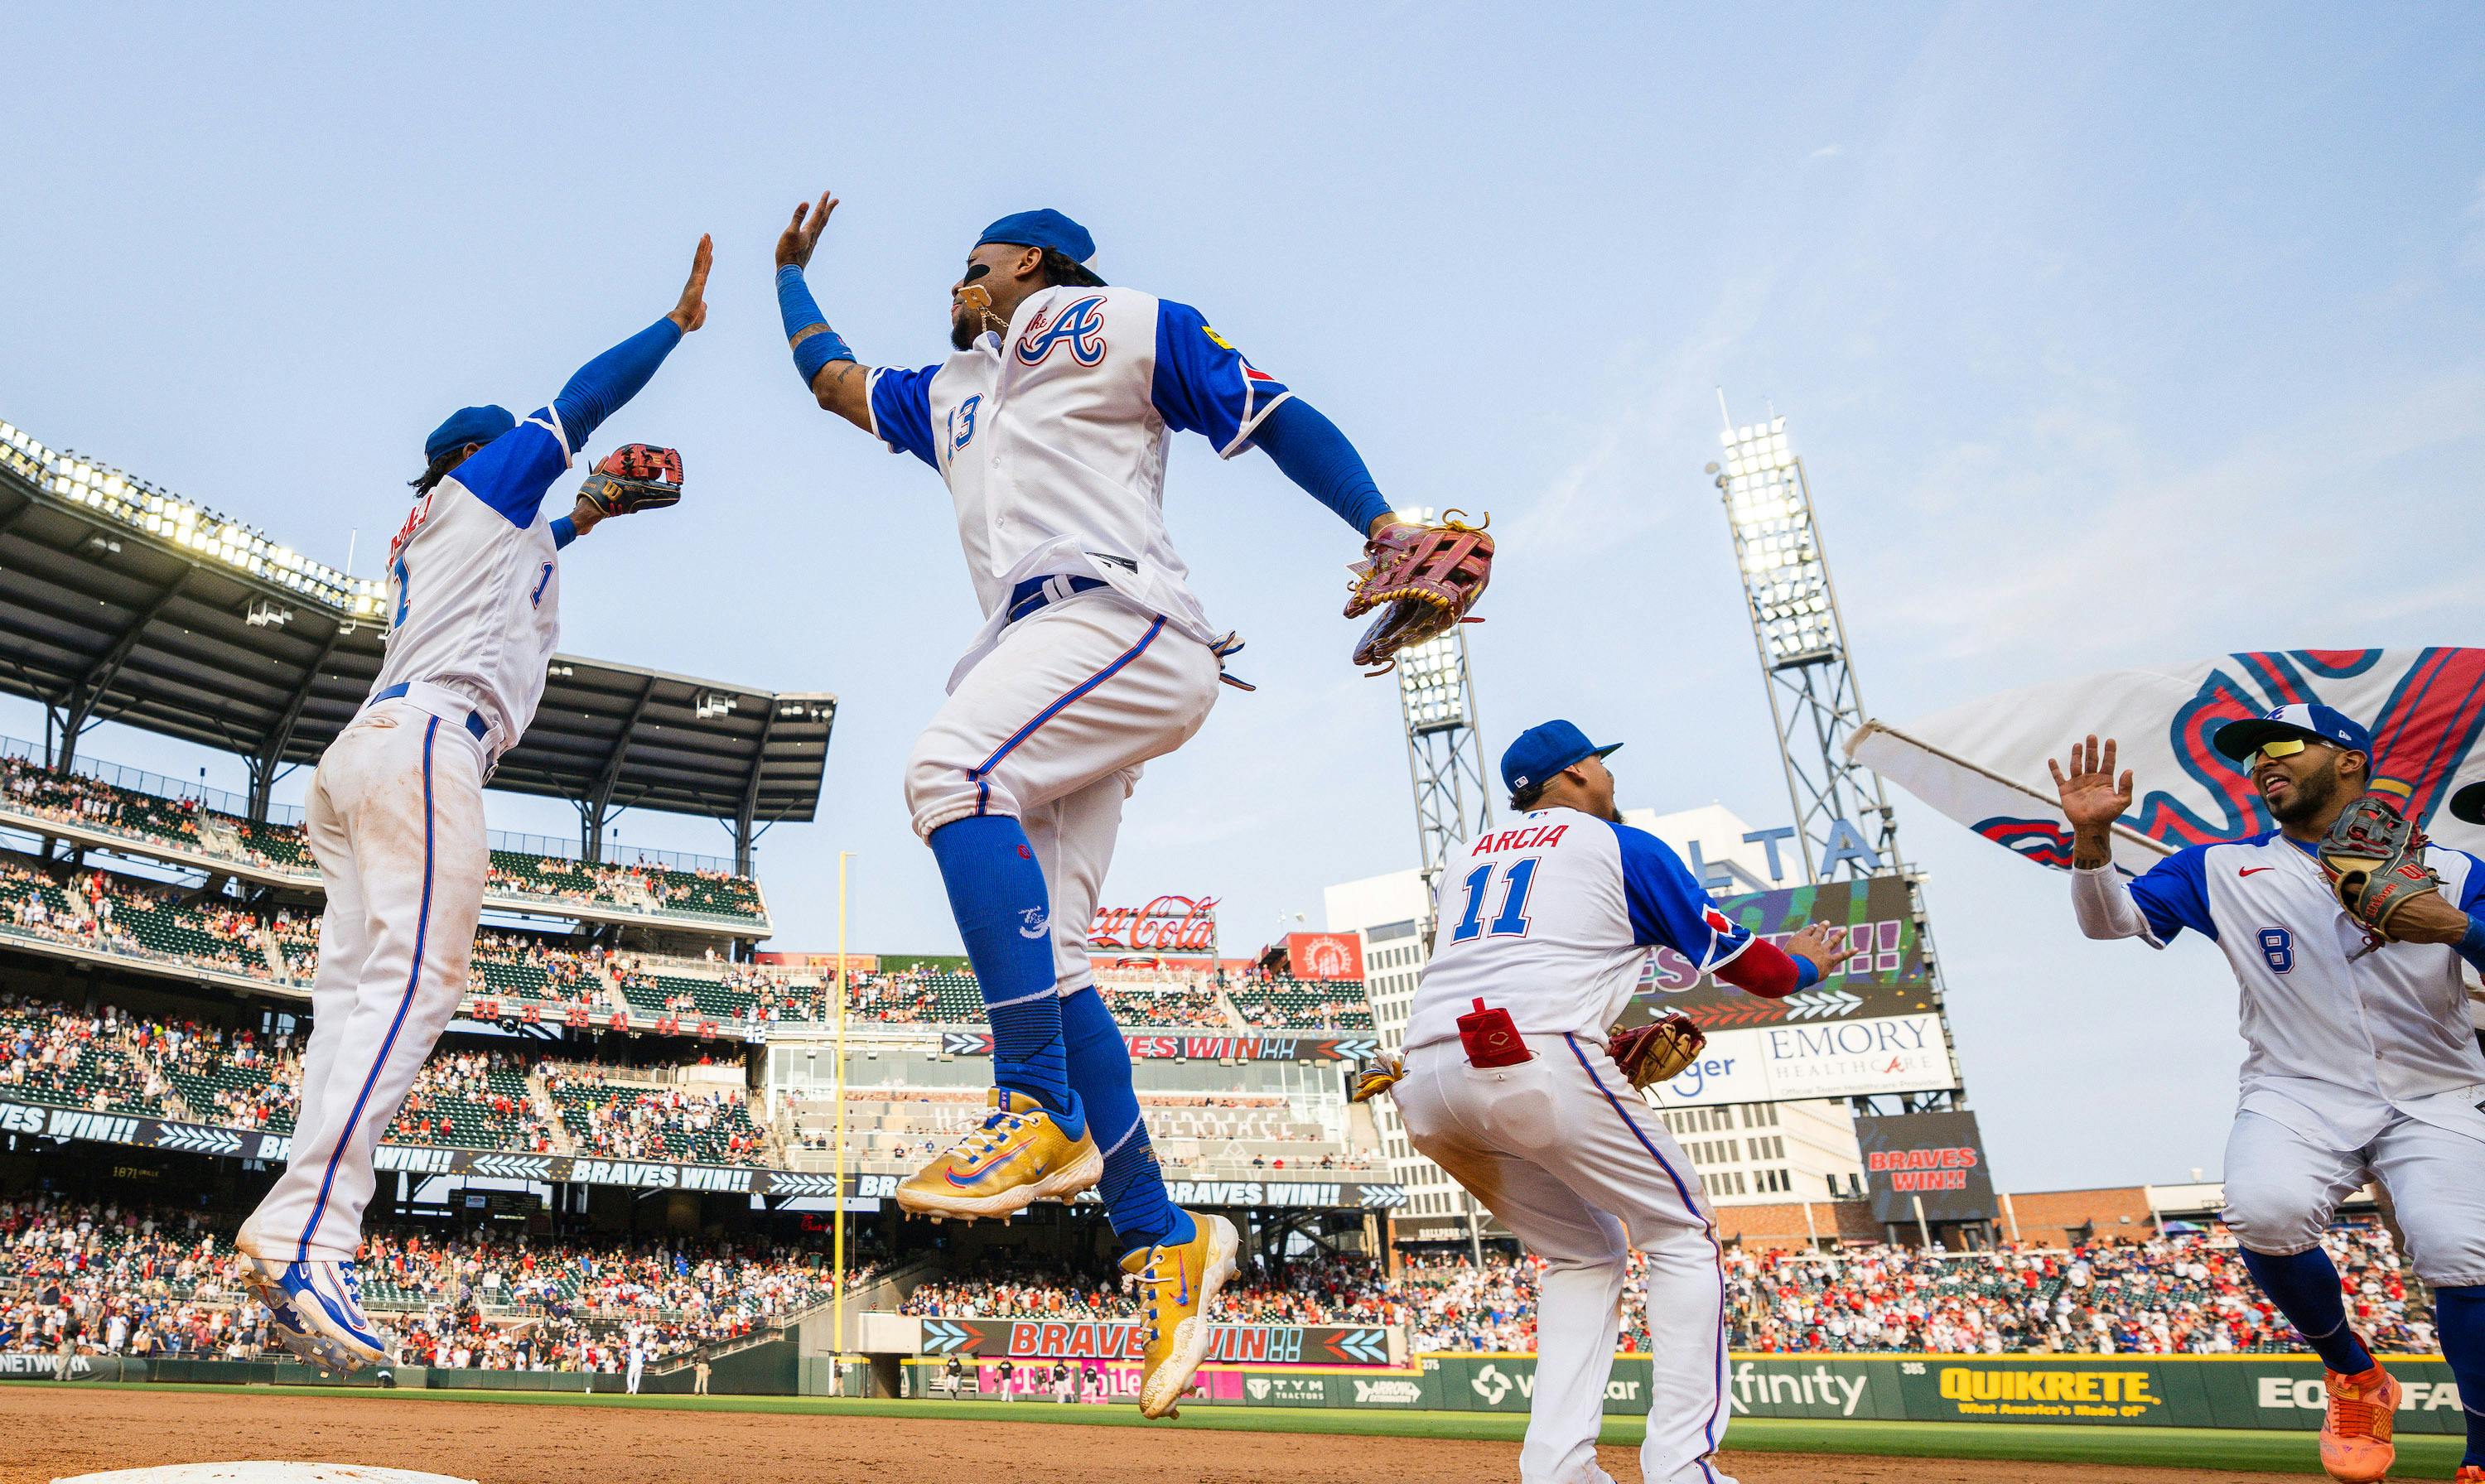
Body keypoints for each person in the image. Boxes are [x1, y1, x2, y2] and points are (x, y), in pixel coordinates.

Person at [770, 191, 1415, 1419]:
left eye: (969, 266)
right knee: (1056, 963)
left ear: (1021, 262)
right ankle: (1158, 1233)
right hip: (1043, 655)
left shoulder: (1115, 318)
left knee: (948, 773)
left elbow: (1270, 411)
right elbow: (833, 381)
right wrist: (788, 278)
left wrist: (1379, 523)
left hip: (1121, 621)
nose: (953, 286)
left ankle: (1036, 1104)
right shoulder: (948, 395)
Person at [231, 238, 710, 1374]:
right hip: (427, 744)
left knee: (350, 1009)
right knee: (419, 985)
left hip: (365, 754)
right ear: (479, 458)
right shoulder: (483, 484)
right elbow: (580, 403)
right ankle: (307, 1236)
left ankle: (305, 1249)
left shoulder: (465, 529)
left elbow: (540, 540)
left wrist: (591, 515)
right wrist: (675, 326)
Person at [1380, 720, 1858, 1484]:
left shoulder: (1464, 858)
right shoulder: (1619, 846)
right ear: (1573, 775)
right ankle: (1682, 1469)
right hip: (1534, 1060)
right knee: (1681, 1233)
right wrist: (1808, 966)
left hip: (1427, 1081)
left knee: (1581, 1253)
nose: (1609, 777)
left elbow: (1521, 964)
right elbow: (1756, 971)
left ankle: (1558, 1473)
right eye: (1599, 764)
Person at [2053, 706, 2485, 1484]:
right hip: (2298, 1086)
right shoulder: (2218, 867)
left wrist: (2454, 927)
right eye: (2251, 755)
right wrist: (2092, 842)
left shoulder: (2450, 870)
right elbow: (2108, 924)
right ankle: (2357, 1376)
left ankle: (2484, 1455)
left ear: (2349, 760)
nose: (2261, 763)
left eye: (2282, 746)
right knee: (2264, 1208)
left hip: (2437, 1087)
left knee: (2460, 1253)